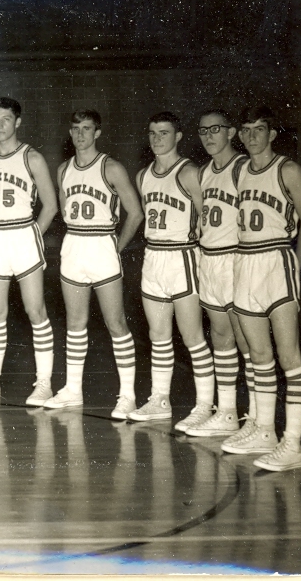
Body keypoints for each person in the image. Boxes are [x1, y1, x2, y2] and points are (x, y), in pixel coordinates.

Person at [221, 106, 301, 472]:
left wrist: (295, 263)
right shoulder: (240, 170)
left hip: (277, 259)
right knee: (259, 355)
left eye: (259, 129)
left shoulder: (287, 170)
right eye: (245, 129)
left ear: (272, 134)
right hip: (245, 260)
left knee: (289, 357)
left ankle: (292, 444)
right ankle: (264, 431)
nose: (251, 136)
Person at [45, 110, 144, 418]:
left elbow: (136, 212)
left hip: (103, 244)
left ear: (97, 133)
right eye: (76, 129)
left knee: (116, 323)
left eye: (87, 129)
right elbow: (65, 211)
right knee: (75, 323)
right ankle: (73, 390)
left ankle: (127, 396)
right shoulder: (63, 169)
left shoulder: (111, 167)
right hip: (74, 244)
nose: (80, 134)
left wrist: (118, 246)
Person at [0, 97, 59, 403]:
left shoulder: (32, 158)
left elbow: (50, 206)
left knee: (35, 310)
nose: (0, 125)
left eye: (6, 119)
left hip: (23, 236)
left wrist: (32, 235)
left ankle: (44, 383)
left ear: (18, 122)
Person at [128, 112, 215, 430]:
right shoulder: (142, 176)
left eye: (164, 133)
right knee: (158, 335)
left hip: (183, 256)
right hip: (153, 257)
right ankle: (160, 399)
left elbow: (208, 219)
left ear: (178, 136)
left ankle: (204, 405)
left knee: (192, 336)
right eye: (152, 133)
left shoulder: (190, 172)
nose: (157, 139)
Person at [184, 111, 250, 437]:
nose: (208, 136)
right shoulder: (204, 172)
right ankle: (226, 413)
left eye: (215, 129)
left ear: (231, 132)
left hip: (235, 259)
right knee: (221, 339)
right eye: (203, 130)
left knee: (247, 341)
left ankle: (258, 418)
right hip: (209, 259)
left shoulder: (243, 167)